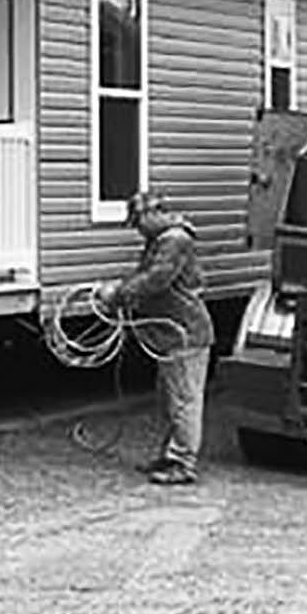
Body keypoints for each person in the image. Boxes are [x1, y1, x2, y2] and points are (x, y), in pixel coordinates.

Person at [97, 188, 215, 485]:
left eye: (138, 221)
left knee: (184, 401)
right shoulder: (160, 241)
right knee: (169, 400)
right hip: (170, 334)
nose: (136, 228)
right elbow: (147, 279)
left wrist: (118, 293)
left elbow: (156, 280)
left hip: (184, 335)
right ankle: (170, 455)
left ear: (153, 214)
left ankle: (183, 462)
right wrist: (123, 293)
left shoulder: (174, 241)